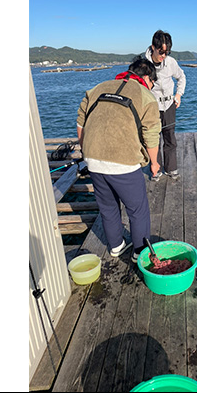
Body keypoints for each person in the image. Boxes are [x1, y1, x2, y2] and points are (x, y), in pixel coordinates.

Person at [77, 58, 161, 263]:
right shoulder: (146, 96)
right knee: (137, 209)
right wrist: (154, 162)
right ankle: (140, 252)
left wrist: (87, 151)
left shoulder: (98, 88)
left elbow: (81, 123)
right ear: (146, 78)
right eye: (153, 82)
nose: (152, 87)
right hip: (124, 161)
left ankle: (116, 246)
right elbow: (151, 134)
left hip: (93, 158)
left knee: (107, 206)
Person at [144, 30, 186, 181]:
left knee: (169, 137)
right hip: (152, 107)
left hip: (169, 104)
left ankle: (171, 168)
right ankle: (156, 168)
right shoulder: (144, 65)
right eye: (161, 52)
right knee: (153, 138)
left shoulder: (171, 62)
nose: (163, 56)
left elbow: (181, 77)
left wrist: (178, 94)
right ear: (153, 47)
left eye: (167, 52)